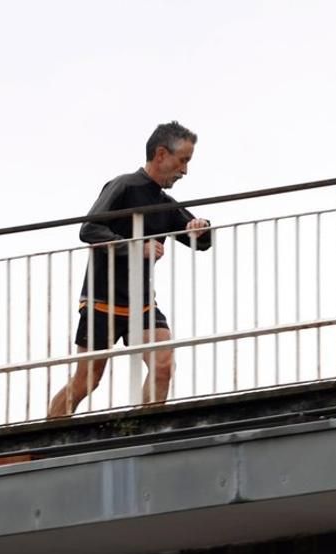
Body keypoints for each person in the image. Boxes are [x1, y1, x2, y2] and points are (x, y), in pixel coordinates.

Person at [47, 121, 212, 418]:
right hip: (102, 300)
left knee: (163, 365)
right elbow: (89, 229)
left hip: (142, 305)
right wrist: (137, 246)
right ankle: (42, 440)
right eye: (182, 160)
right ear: (161, 154)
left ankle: (145, 429)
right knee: (87, 380)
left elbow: (200, 242)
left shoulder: (165, 204)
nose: (185, 170)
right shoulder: (123, 186)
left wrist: (200, 228)